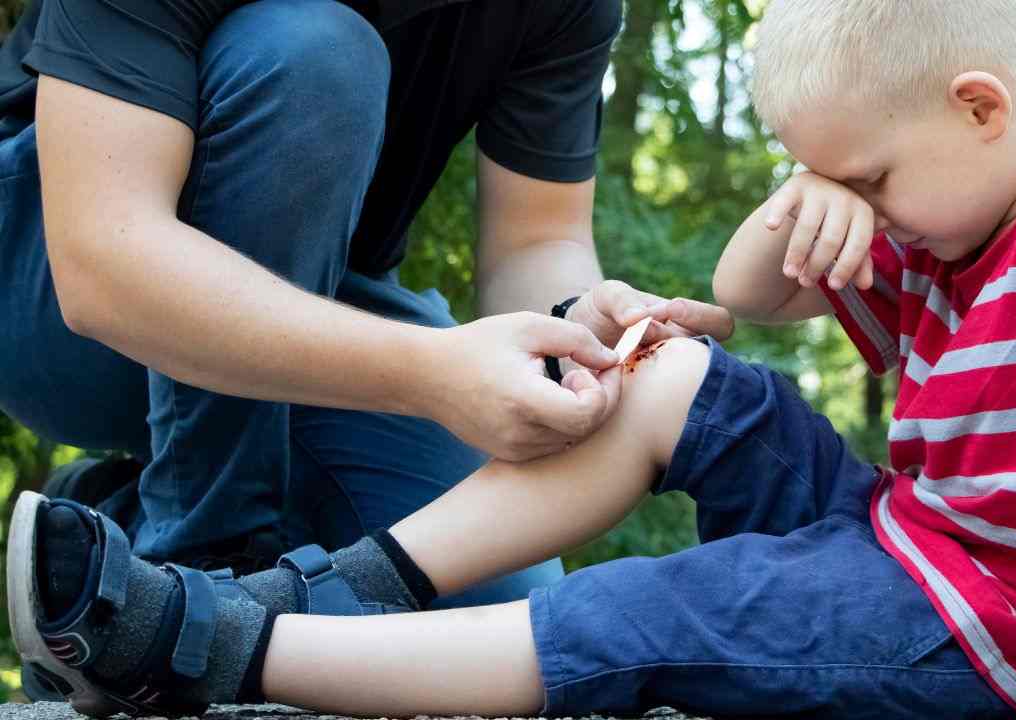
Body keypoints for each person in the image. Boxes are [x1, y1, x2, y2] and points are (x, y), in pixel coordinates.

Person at [9, 0, 1016, 717]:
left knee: (645, 611)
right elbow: (743, 302)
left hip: (1006, 635)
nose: (863, 211)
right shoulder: (959, 222)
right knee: (678, 373)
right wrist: (806, 203)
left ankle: (207, 644)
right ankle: (285, 578)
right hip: (60, 274)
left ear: (977, 108)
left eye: (869, 179)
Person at [0, 0, 734, 604]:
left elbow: (535, 242)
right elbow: (100, 263)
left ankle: (105, 531)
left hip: (321, 302)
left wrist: (578, 328)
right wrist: (425, 373)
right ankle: (190, 570)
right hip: (51, 289)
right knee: (315, 53)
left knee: (489, 587)